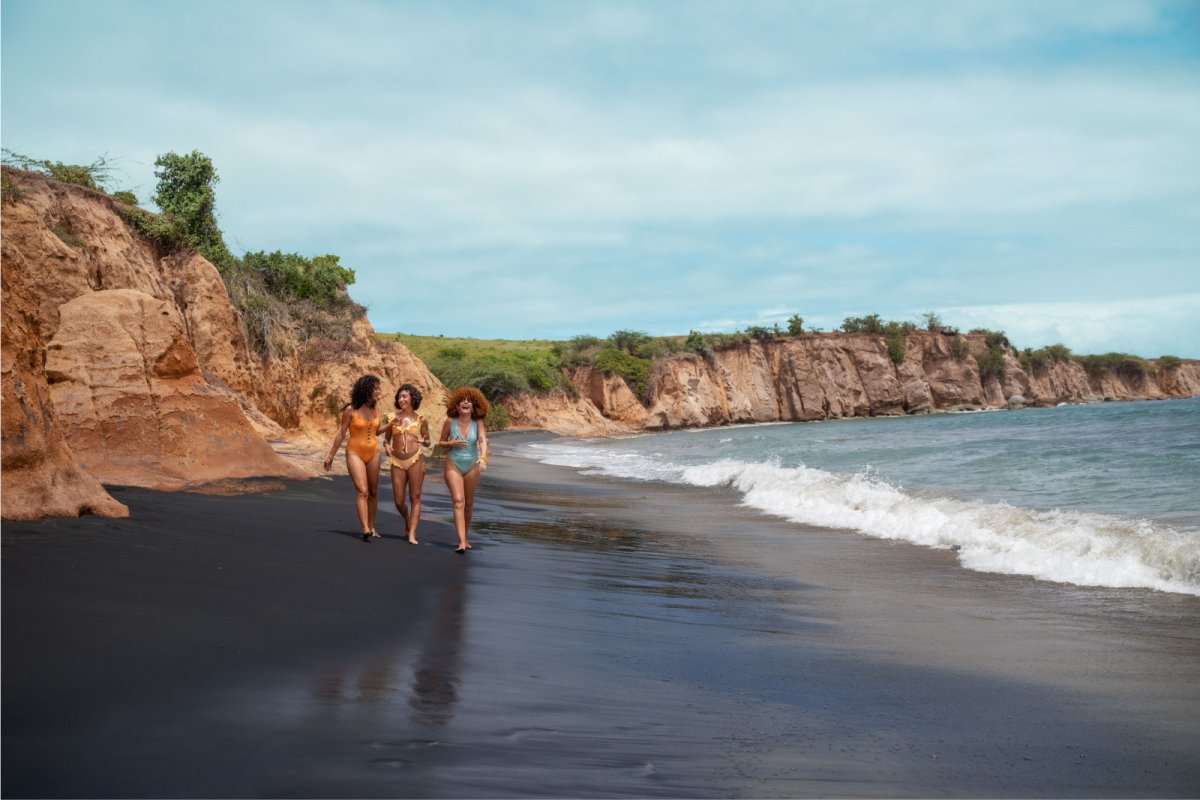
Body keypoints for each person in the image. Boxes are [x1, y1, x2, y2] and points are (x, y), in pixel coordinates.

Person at [323, 374, 384, 542]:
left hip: (374, 453)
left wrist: (391, 426)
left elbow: (377, 431)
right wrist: (330, 456)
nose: (380, 391)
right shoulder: (351, 410)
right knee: (362, 491)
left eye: (379, 388)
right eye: (376, 388)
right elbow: (342, 433)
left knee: (373, 492)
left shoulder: (377, 409)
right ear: (367, 390)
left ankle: (372, 526)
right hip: (354, 452)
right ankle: (365, 528)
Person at [438, 387, 490, 553]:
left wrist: (483, 457)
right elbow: (441, 442)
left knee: (468, 503)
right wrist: (450, 444)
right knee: (458, 501)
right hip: (453, 463)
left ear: (474, 406)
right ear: (457, 405)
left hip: (472, 464)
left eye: (469, 401)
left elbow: (482, 440)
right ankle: (461, 542)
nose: (466, 402)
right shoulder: (449, 421)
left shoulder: (478, 423)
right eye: (462, 400)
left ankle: (465, 536)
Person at [379, 383, 431, 545]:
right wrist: (387, 446)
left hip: (415, 459)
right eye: (399, 397)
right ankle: (408, 520)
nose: (401, 399)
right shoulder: (390, 417)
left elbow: (428, 441)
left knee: (415, 497)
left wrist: (425, 441)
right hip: (397, 460)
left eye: (404, 396)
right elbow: (385, 438)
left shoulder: (421, 419)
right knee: (399, 501)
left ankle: (412, 533)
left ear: (412, 398)